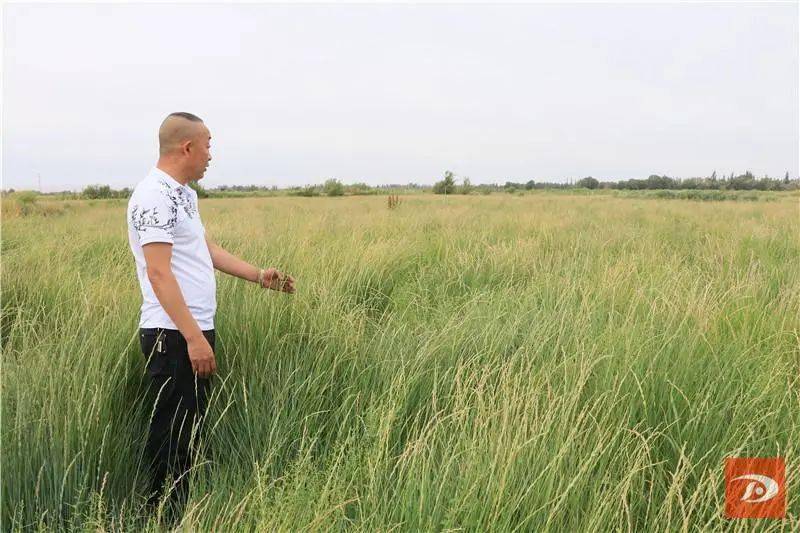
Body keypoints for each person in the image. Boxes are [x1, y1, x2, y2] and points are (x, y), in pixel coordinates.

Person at [126, 111, 295, 516]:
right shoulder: (152, 195)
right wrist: (193, 338)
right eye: (208, 144)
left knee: (190, 427)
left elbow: (207, 250)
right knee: (172, 430)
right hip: (173, 335)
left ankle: (182, 510)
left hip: (193, 330)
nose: (210, 155)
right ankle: (160, 515)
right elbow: (158, 272)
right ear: (187, 147)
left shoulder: (184, 194)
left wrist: (258, 276)